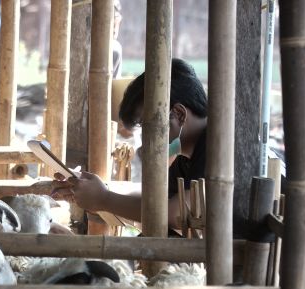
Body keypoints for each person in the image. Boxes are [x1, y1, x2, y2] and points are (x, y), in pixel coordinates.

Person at [52, 58, 208, 233]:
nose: (146, 137)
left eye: (149, 124)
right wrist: (91, 190)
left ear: (178, 114)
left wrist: (104, 199)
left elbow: (176, 213)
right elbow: (154, 201)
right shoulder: (185, 161)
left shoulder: (213, 144)